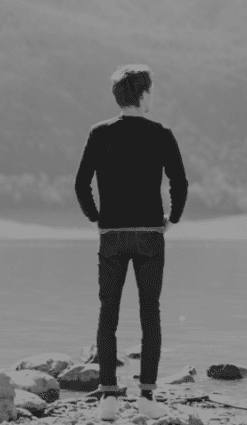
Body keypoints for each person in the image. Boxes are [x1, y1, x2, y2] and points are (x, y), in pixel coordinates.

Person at [75, 64, 189, 422]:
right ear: (141, 94)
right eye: (150, 91)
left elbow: (81, 184)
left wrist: (96, 218)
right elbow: (180, 182)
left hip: (112, 235)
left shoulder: (99, 133)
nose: (152, 97)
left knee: (107, 313)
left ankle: (109, 399)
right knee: (149, 313)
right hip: (151, 235)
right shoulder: (161, 133)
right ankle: (147, 398)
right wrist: (173, 219)